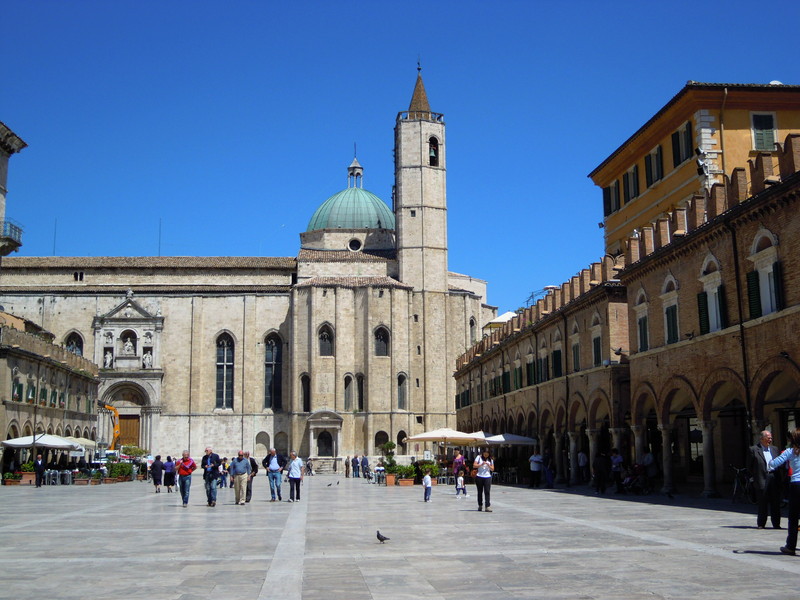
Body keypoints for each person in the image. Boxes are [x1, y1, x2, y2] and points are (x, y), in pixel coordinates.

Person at [768, 428, 800, 555]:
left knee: (793, 517)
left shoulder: (790, 452)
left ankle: (790, 546)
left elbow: (773, 464)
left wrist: (769, 463)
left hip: (796, 485)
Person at [748, 430, 785, 529]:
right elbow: (750, 466)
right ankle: (761, 523)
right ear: (762, 438)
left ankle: (776, 523)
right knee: (762, 502)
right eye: (768, 438)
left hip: (774, 476)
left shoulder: (774, 449)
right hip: (761, 477)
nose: (770, 439)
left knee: (775, 502)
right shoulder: (754, 450)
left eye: (771, 438)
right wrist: (755, 476)